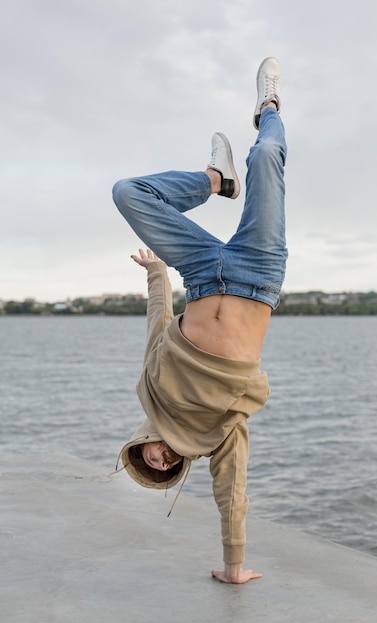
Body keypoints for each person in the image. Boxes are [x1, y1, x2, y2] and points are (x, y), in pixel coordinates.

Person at [112, 57, 287, 584]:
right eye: (165, 469)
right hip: (258, 275)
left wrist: (154, 274)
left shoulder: (149, 392)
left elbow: (158, 324)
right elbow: (231, 490)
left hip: (203, 273)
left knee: (128, 192)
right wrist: (234, 565)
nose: (161, 459)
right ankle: (270, 107)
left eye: (149, 459)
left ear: (139, 445)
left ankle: (215, 179)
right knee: (268, 156)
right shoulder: (216, 436)